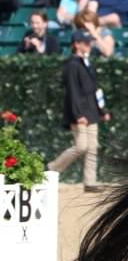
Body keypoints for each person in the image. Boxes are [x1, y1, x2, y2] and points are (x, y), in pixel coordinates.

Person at [47, 30, 109, 192]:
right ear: (76, 44)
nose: (88, 45)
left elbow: (95, 89)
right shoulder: (72, 65)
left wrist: (102, 110)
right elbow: (73, 91)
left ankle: (90, 181)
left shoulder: (86, 63)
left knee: (92, 147)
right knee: (81, 146)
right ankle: (53, 167)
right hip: (80, 112)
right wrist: (78, 114)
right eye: (85, 42)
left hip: (91, 110)